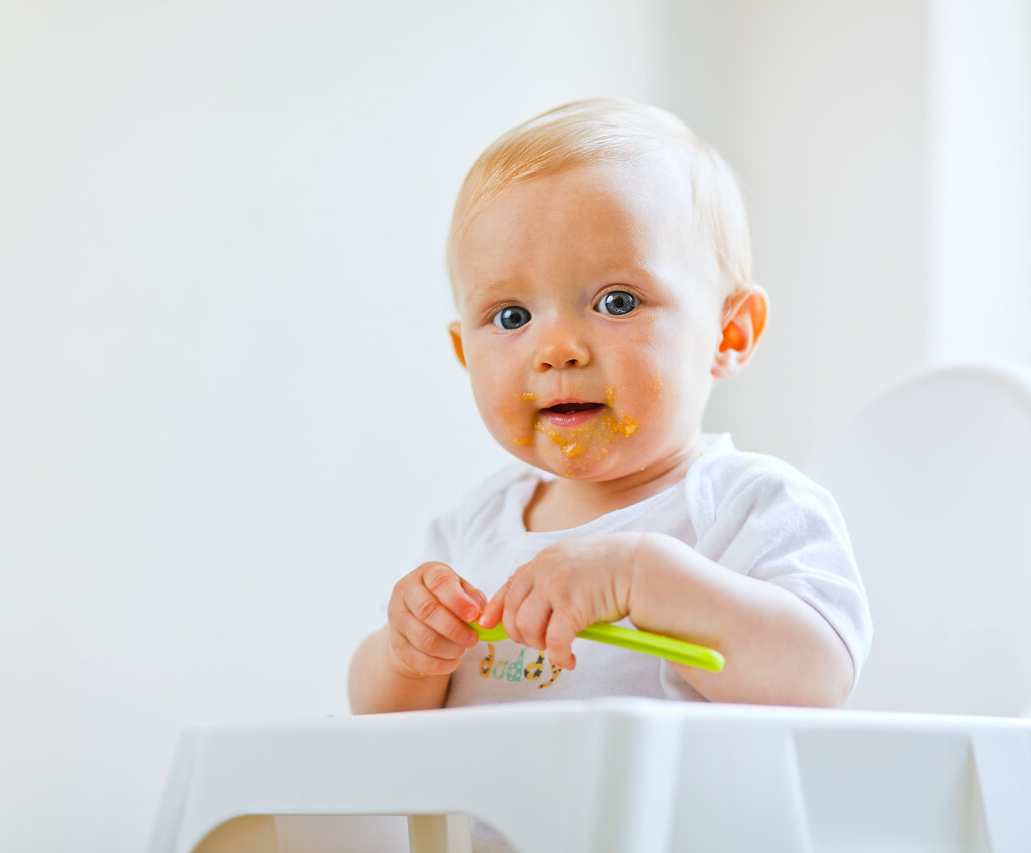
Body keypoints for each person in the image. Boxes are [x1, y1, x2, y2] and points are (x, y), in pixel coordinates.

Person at [348, 98, 870, 715]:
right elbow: (380, 723)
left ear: (729, 333)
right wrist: (405, 659)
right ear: (465, 352)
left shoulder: (746, 505)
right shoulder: (474, 527)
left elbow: (820, 677)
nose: (556, 350)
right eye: (511, 316)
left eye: (617, 301)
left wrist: (644, 576)